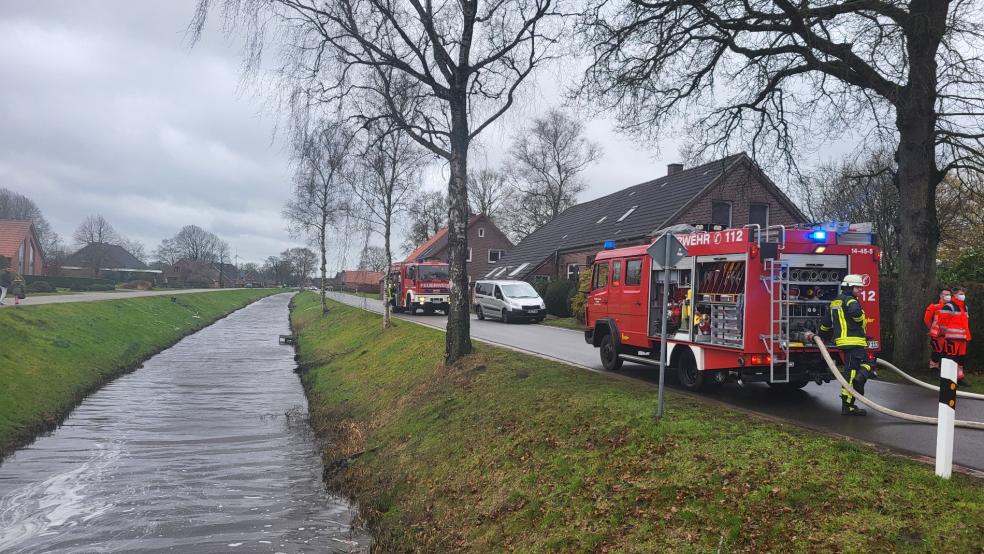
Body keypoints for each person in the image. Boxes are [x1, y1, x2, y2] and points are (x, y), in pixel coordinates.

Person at [809, 274, 874, 416]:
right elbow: (857, 316)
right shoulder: (851, 301)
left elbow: (826, 325)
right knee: (859, 369)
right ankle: (849, 403)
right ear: (849, 287)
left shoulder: (835, 303)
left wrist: (820, 337)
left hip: (843, 342)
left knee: (853, 369)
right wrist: (860, 319)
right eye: (857, 287)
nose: (860, 290)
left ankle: (853, 391)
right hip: (854, 341)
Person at [938, 286, 971, 386]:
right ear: (955, 295)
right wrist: (946, 335)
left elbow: (965, 323)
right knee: (950, 357)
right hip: (952, 338)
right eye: (961, 293)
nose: (963, 295)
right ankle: (948, 378)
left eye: (963, 293)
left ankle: (959, 377)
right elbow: (942, 323)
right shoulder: (949, 306)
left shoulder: (964, 307)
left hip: (962, 338)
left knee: (961, 358)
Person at [925, 288, 951, 370]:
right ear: (940, 295)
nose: (947, 296)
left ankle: (943, 369)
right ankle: (933, 368)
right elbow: (927, 320)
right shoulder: (934, 307)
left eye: (949, 295)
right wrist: (932, 329)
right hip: (937, 335)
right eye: (945, 294)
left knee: (947, 352)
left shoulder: (952, 308)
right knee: (937, 351)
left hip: (948, 335)